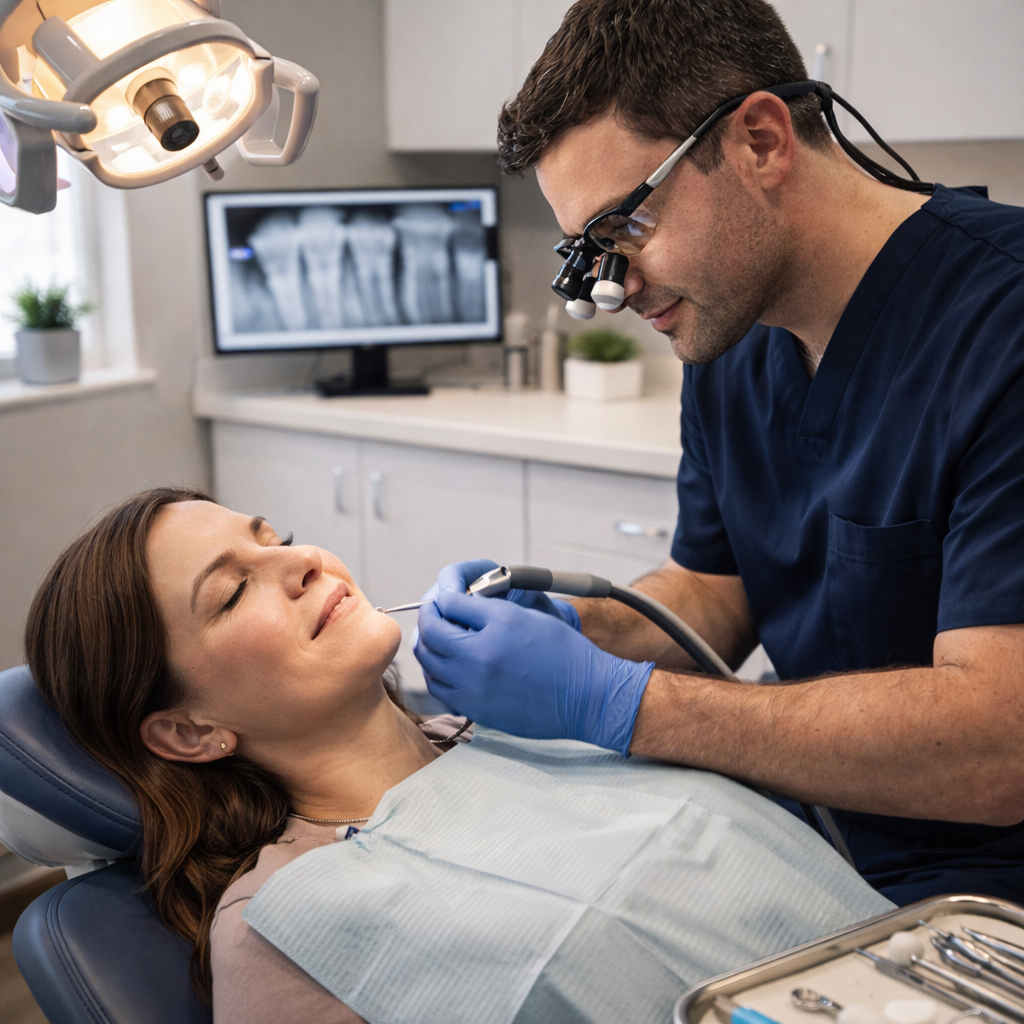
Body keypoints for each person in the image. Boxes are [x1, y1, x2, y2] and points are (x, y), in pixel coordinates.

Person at [415, 0, 1024, 906]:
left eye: (623, 230)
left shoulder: (1000, 323)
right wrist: (583, 632)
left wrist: (620, 704)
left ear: (763, 142)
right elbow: (718, 590)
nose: (611, 290)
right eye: (588, 251)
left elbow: (996, 747)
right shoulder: (731, 334)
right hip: (815, 840)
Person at [25, 486, 892, 1024]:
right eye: (233, 590)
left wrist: (606, 684)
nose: (298, 562)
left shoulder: (536, 721)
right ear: (188, 732)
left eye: (274, 537)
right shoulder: (282, 924)